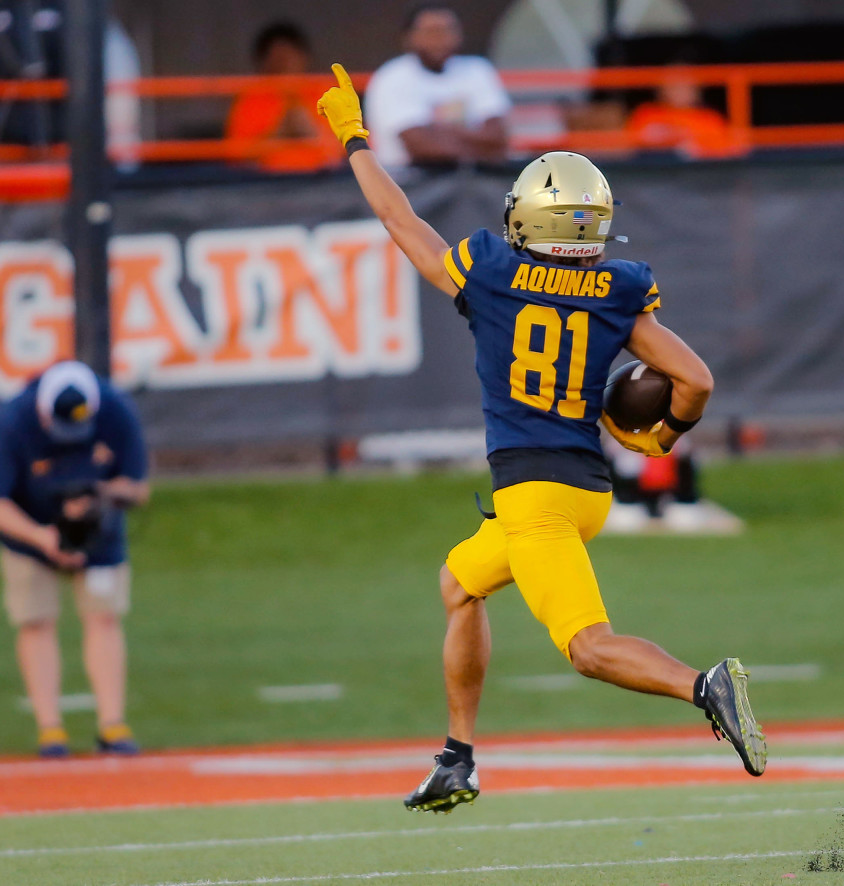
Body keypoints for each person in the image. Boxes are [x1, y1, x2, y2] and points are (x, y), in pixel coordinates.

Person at [317, 64, 766, 812]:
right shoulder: (618, 289)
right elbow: (696, 380)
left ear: (527, 218)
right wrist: (659, 442)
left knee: (588, 647)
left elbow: (401, 221)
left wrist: (356, 139)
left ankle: (703, 684)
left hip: (534, 496)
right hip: (583, 485)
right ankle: (457, 757)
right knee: (460, 582)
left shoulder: (491, 271)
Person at [0, 361, 150, 757]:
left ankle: (112, 724)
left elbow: (138, 488)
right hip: (29, 533)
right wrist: (40, 536)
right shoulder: (12, 420)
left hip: (98, 534)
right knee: (36, 620)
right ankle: (51, 730)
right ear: (44, 413)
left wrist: (100, 496)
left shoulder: (115, 410)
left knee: (103, 616)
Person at [363, 3, 510, 168]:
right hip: (411, 183)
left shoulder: (477, 70)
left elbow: (499, 140)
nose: (440, 39)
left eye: (448, 30)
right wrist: (475, 141)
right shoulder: (392, 78)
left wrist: (442, 131)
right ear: (409, 37)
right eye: (431, 32)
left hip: (479, 178)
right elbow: (420, 148)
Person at [226, 22, 342, 173]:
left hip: (326, 181)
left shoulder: (327, 90)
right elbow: (233, 156)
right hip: (265, 183)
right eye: (277, 58)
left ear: (304, 57)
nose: (284, 64)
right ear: (263, 63)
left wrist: (313, 132)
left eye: (289, 56)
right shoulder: (252, 97)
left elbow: (357, 148)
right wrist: (278, 134)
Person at [625, 70, 744, 160]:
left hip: (700, 179)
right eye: (675, 85)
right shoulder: (646, 114)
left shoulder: (710, 118)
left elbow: (729, 151)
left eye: (686, 84)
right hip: (656, 177)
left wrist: (694, 148)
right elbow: (631, 146)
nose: (681, 89)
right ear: (662, 89)